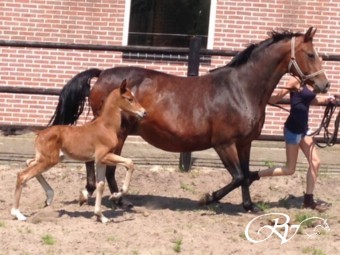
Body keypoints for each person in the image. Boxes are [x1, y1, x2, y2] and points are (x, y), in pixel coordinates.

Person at [250, 76, 335, 212]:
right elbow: (276, 98)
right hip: (293, 130)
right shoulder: (294, 80)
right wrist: (261, 97)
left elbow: (310, 100)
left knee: (316, 162)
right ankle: (254, 175)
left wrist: (327, 99)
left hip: (304, 130)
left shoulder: (309, 82)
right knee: (290, 169)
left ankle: (308, 199)